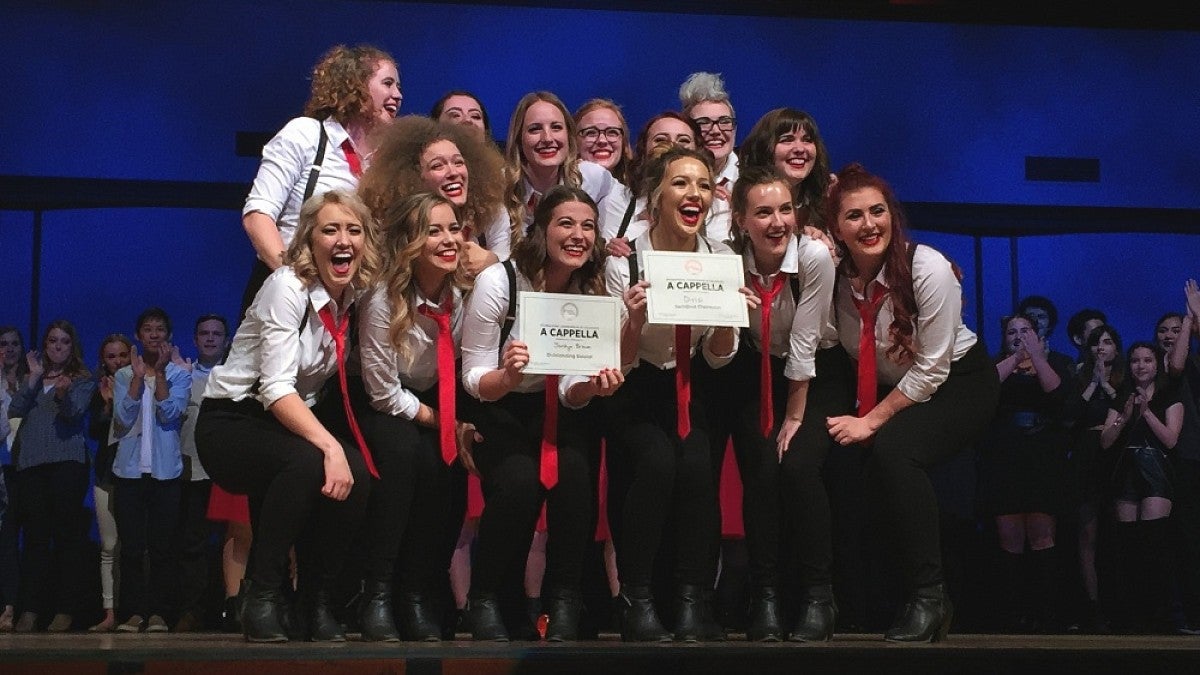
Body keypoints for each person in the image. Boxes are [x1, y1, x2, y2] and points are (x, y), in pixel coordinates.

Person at [196, 189, 381, 643]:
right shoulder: (287, 286)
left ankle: (314, 602)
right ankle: (261, 596)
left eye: (353, 230)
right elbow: (276, 388)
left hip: (283, 424)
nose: (343, 240)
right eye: (330, 229)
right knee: (308, 463)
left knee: (361, 475)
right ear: (309, 240)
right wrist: (330, 445)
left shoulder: (352, 295)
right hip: (232, 420)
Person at [824, 164, 999, 642]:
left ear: (892, 216)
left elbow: (933, 369)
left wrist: (870, 422)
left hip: (958, 382)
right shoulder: (835, 279)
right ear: (836, 229)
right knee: (842, 465)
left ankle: (930, 596)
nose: (869, 225)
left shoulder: (928, 268)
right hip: (890, 388)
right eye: (854, 216)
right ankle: (854, 599)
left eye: (877, 212)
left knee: (895, 450)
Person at [461, 185, 621, 641]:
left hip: (561, 409)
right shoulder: (502, 281)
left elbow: (572, 389)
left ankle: (564, 598)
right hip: (500, 404)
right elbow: (473, 374)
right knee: (517, 483)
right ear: (541, 231)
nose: (578, 235)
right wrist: (508, 377)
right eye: (566, 224)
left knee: (575, 480)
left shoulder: (592, 286)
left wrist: (592, 384)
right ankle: (486, 595)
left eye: (588, 226)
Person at [604, 145, 743, 642]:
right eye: (682, 183)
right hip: (634, 382)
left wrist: (729, 320)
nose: (695, 194)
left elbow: (718, 356)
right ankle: (635, 600)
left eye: (704, 185)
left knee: (698, 471)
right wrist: (636, 318)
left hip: (691, 381)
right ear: (657, 195)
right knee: (659, 464)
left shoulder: (723, 259)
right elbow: (617, 357)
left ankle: (692, 601)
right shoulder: (629, 257)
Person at [721, 166, 848, 641]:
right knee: (761, 473)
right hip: (756, 371)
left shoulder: (814, 255)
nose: (778, 222)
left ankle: (819, 596)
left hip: (818, 371)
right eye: (763, 213)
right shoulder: (728, 259)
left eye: (785, 209)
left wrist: (794, 416)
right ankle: (766, 596)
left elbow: (806, 340)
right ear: (740, 220)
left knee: (796, 466)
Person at [352, 192, 476, 641]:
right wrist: (440, 422)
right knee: (405, 459)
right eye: (434, 231)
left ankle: (418, 593)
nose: (450, 241)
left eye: (453, 229)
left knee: (449, 474)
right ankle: (378, 593)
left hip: (434, 402)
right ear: (410, 242)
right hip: (386, 406)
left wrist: (452, 424)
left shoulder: (461, 295)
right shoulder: (383, 298)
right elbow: (383, 393)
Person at [240, 44, 399, 312]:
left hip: (346, 303)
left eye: (397, 86)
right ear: (356, 86)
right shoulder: (305, 135)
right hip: (289, 292)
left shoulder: (384, 162)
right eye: (388, 83)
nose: (398, 94)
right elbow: (258, 215)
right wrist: (294, 284)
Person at [981, 313, 1072, 632]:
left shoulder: (1054, 363)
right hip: (1005, 455)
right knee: (1010, 536)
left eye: (1026, 331)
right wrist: (1016, 357)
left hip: (1041, 455)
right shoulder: (995, 364)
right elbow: (985, 388)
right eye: (1012, 332)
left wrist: (1035, 356)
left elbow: (1057, 393)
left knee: (1042, 534)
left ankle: (1046, 614)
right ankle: (1012, 615)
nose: (1019, 335)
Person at [8, 320, 96, 632]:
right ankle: (31, 608)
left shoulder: (81, 379)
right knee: (35, 538)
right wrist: (32, 379)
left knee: (67, 537)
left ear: (72, 347)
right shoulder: (32, 377)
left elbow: (73, 414)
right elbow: (15, 410)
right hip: (32, 464)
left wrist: (63, 395)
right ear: (45, 345)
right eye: (52, 341)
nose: (57, 347)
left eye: (64, 342)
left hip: (66, 464)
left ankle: (65, 609)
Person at [110, 308, 192, 633]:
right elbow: (122, 417)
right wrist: (137, 377)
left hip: (165, 473)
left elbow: (171, 413)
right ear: (138, 336)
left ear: (168, 336)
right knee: (131, 547)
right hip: (129, 472)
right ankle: (132, 613)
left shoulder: (179, 374)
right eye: (148, 329)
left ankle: (159, 612)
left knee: (163, 548)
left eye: (160, 329)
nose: (154, 334)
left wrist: (158, 375)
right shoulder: (122, 376)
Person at [358, 115, 508, 277]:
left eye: (458, 162)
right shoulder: (393, 226)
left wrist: (494, 261)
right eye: (438, 166)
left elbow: (510, 269)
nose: (453, 172)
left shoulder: (492, 211)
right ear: (413, 176)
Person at [1100, 341, 1183, 632]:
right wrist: (1124, 416)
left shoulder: (1169, 395)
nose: (1141, 365)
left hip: (1156, 471)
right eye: (1135, 360)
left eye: (1147, 360)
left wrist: (1146, 411)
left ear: (1156, 364)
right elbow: (1106, 441)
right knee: (1127, 547)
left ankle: (1163, 616)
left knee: (1153, 544)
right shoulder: (1122, 396)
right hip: (1126, 472)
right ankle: (1131, 617)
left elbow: (1171, 439)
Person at [173, 314, 231, 632]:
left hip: (227, 474)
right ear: (195, 340)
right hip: (192, 472)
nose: (210, 338)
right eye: (204, 333)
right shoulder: (183, 374)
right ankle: (191, 611)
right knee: (192, 544)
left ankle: (228, 608)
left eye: (216, 334)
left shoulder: (236, 376)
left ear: (226, 340)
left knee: (230, 543)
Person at [1065, 323, 1123, 633]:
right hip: (1086, 461)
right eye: (1096, 343)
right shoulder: (1078, 377)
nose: (1101, 348)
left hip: (1116, 459)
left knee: (1117, 535)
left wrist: (1109, 386)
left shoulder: (1127, 377)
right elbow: (1071, 413)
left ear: (1117, 347)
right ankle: (1092, 606)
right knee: (1087, 536)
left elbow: (1128, 406)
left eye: (1107, 342)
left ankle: (1120, 605)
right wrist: (1094, 383)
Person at [501, 91, 618, 241]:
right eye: (535, 129)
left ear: (568, 136)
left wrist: (620, 240)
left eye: (556, 127)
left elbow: (637, 207)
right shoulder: (500, 185)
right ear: (519, 139)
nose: (547, 138)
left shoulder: (590, 175)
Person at [85, 333, 134, 632]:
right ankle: (110, 612)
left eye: (122, 355)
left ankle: (135, 610)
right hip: (106, 471)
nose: (116, 361)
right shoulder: (98, 389)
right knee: (109, 544)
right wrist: (106, 405)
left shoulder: (140, 384)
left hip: (135, 471)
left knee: (134, 545)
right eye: (111, 356)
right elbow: (94, 431)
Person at [599, 112, 702, 252]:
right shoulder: (617, 201)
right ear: (643, 150)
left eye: (684, 140)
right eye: (660, 140)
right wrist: (608, 252)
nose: (673, 146)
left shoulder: (717, 205)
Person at [679, 72, 739, 243]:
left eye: (725, 121)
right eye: (704, 122)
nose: (715, 130)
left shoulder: (752, 177)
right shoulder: (670, 177)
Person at [573, 99, 633, 181]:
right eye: (591, 133)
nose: (602, 140)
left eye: (612, 132)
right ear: (575, 142)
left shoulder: (638, 191)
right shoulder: (558, 191)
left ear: (623, 143)